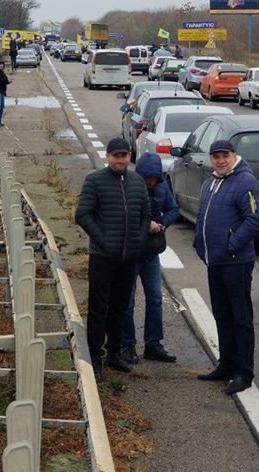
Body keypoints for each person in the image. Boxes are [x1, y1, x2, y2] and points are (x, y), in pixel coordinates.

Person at [75, 138, 151, 382]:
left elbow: (145, 214)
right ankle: (94, 357)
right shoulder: (95, 181)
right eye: (116, 156)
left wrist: (138, 241)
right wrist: (103, 241)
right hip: (102, 258)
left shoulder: (137, 182)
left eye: (124, 155)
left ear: (129, 157)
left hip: (128, 258)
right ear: (108, 157)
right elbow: (83, 214)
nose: (121, 160)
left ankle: (114, 353)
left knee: (120, 307)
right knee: (99, 308)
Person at [194, 139, 259, 395]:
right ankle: (226, 364)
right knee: (222, 316)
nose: (220, 161)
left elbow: (255, 219)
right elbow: (202, 215)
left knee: (240, 318)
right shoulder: (211, 182)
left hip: (236, 262)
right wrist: (199, 245)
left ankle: (243, 372)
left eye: (225, 156)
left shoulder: (245, 182)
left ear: (234, 156)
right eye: (216, 157)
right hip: (215, 261)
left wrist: (231, 245)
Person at [121, 153, 180, 365]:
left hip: (152, 254)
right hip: (131, 253)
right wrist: (146, 225)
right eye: (148, 178)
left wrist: (162, 223)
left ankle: (153, 344)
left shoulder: (162, 189)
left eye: (154, 179)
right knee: (127, 302)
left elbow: (174, 209)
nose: (151, 183)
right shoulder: (130, 187)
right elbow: (124, 214)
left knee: (155, 299)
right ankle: (127, 344)